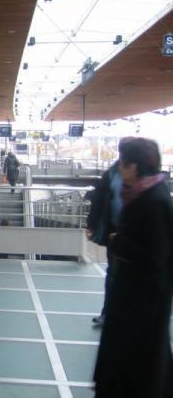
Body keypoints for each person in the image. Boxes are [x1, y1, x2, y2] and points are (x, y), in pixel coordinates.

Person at [93, 138, 173, 398]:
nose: (119, 168)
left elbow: (156, 256)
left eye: (123, 163)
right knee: (139, 361)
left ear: (134, 166)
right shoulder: (147, 195)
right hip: (138, 298)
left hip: (142, 301)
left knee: (137, 364)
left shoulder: (154, 201)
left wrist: (118, 242)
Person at [86, 137, 132, 326]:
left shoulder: (147, 183)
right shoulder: (112, 174)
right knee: (112, 274)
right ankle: (108, 313)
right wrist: (92, 223)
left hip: (133, 235)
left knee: (129, 277)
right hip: (115, 233)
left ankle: (125, 314)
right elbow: (99, 199)